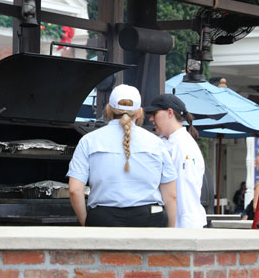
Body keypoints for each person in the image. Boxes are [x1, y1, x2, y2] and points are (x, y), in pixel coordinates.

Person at [67, 84, 177, 227]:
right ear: (139, 113)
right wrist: (170, 233)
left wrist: (86, 222)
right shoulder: (157, 144)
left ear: (108, 109)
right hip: (150, 218)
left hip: (103, 219)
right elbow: (171, 195)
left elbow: (75, 190)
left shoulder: (88, 141)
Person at [144, 94, 207, 229]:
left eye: (154, 113)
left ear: (170, 112)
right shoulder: (172, 143)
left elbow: (180, 191)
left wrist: (173, 228)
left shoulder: (182, 145)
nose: (151, 119)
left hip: (183, 225)